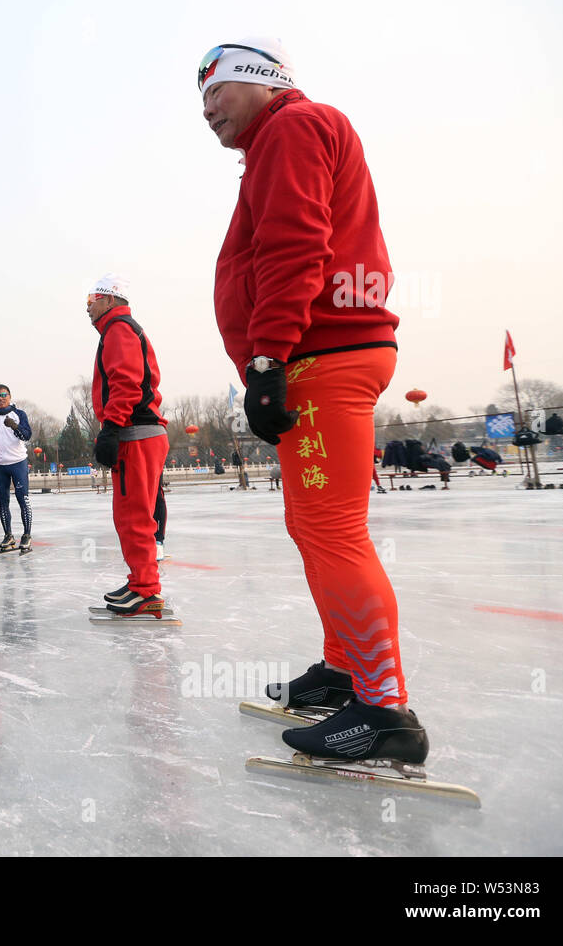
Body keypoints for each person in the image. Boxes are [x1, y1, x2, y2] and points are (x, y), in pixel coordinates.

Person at [199, 37, 427, 765]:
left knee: (331, 531)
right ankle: (344, 672)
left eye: (217, 90)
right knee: (314, 526)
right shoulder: (288, 134)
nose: (206, 108)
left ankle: (384, 709)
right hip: (321, 350)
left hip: (321, 354)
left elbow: (295, 245)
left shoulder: (291, 128)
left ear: (264, 82)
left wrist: (267, 356)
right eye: (200, 97)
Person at [86, 274, 170, 616]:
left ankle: (146, 589)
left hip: (136, 433)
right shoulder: (118, 328)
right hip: (138, 433)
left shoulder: (119, 328)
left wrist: (112, 426)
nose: (88, 306)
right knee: (131, 514)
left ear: (110, 299)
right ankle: (141, 581)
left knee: (134, 515)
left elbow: (126, 381)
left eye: (93, 298)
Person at [0, 384, 33, 552]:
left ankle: (27, 535)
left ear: (10, 396)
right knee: (3, 502)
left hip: (18, 462)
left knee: (23, 499)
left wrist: (14, 426)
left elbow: (27, 436)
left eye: (4, 394)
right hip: (0, 465)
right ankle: (8, 535)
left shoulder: (19, 414)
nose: (1, 398)